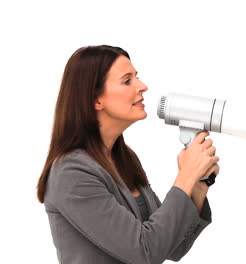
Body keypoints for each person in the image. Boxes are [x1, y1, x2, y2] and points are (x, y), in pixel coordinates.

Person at [36, 45, 220, 264]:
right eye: (127, 81)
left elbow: (172, 247)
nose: (142, 86)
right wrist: (185, 177)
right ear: (96, 100)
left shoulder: (124, 159)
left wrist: (197, 187)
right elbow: (145, 252)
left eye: (137, 77)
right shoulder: (71, 173)